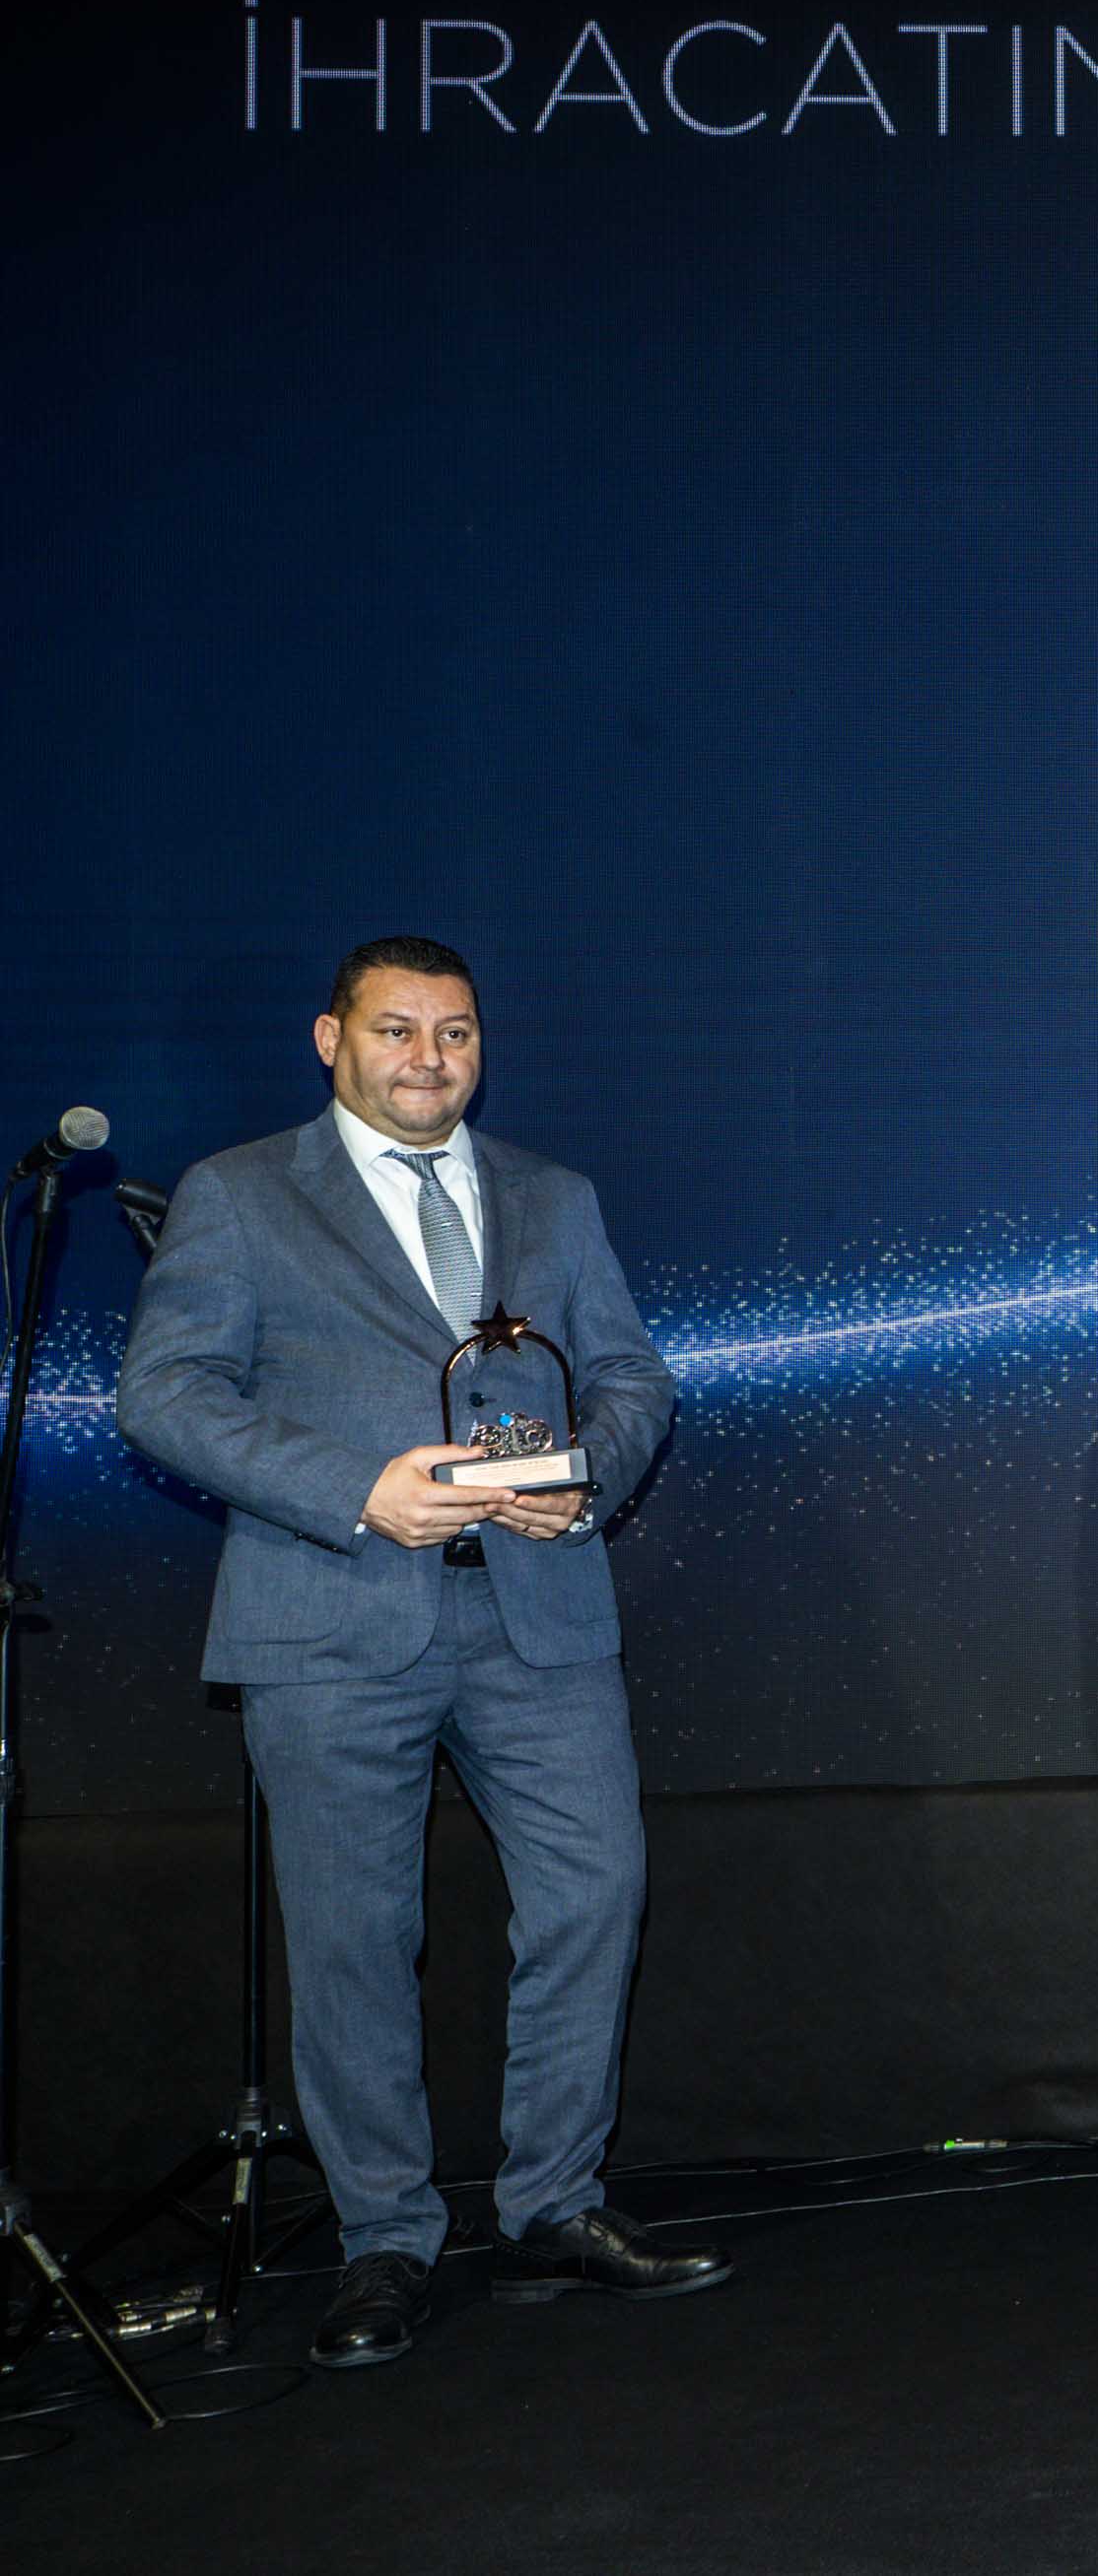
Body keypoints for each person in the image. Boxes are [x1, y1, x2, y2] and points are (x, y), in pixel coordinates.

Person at [116, 935, 721, 2370]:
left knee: (595, 1893)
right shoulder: (240, 1194)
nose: (428, 1059)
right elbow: (165, 1394)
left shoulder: (554, 1196)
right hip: (331, 1614)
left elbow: (631, 1375)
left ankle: (553, 2204)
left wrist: (589, 1474)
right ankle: (385, 2238)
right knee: (354, 1943)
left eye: (454, 1034)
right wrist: (356, 1489)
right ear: (332, 1038)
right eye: (396, 1031)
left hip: (537, 1611)